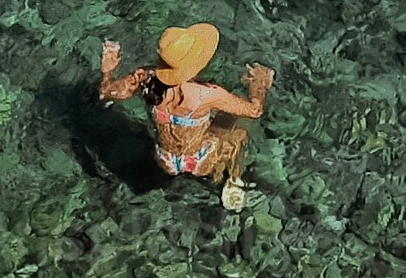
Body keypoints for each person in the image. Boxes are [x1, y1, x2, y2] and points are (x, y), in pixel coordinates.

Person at [96, 20, 275, 208]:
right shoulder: (207, 94)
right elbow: (254, 111)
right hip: (200, 160)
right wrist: (259, 84)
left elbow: (107, 92)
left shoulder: (145, 78)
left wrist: (108, 71)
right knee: (238, 130)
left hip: (164, 159)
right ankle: (234, 179)